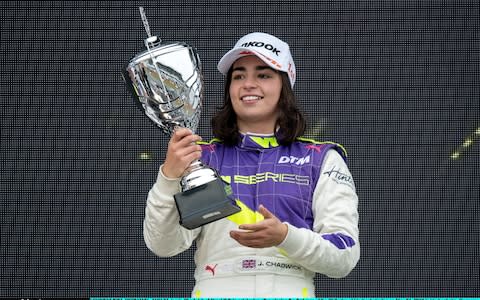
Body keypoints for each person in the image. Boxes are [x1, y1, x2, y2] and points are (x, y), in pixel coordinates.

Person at [143, 32, 360, 298]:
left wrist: (284, 236)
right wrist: (169, 177)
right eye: (239, 76)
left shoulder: (320, 158)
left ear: (284, 87)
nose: (248, 84)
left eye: (263, 74)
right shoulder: (201, 159)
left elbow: (343, 256)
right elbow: (165, 245)